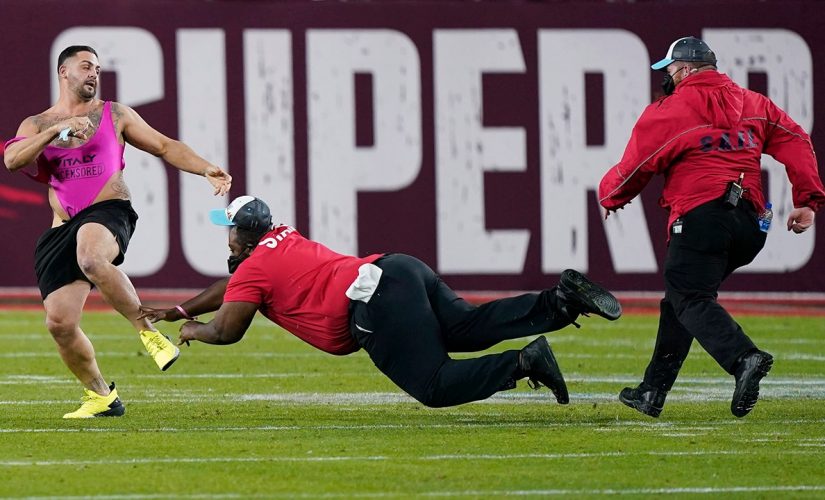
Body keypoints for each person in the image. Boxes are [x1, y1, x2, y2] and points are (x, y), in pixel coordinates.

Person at [139, 195, 622, 408]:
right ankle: (560, 302)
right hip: (399, 268)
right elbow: (236, 287)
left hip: (370, 303)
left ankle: (522, 362)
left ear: (242, 237)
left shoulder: (253, 267)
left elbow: (228, 329)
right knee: (466, 325)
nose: (224, 237)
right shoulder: (277, 239)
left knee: (433, 384)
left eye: (228, 230)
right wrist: (181, 308)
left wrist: (191, 332)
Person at [599, 36, 825, 418]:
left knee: (689, 297)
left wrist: (611, 196)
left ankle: (743, 359)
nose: (667, 77)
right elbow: (796, 139)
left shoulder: (671, 109)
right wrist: (807, 199)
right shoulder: (753, 103)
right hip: (751, 226)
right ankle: (652, 392)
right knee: (682, 299)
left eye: (669, 70)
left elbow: (636, 166)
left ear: (686, 70)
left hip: (703, 218)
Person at [3, 45, 232, 418]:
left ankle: (148, 333)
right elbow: (13, 160)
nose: (94, 73)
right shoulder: (37, 124)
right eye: (85, 67)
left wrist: (206, 168)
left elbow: (163, 145)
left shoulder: (115, 114)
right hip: (61, 229)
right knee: (59, 323)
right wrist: (56, 131)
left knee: (92, 256)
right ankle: (101, 396)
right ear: (64, 72)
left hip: (109, 212)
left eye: (97, 68)